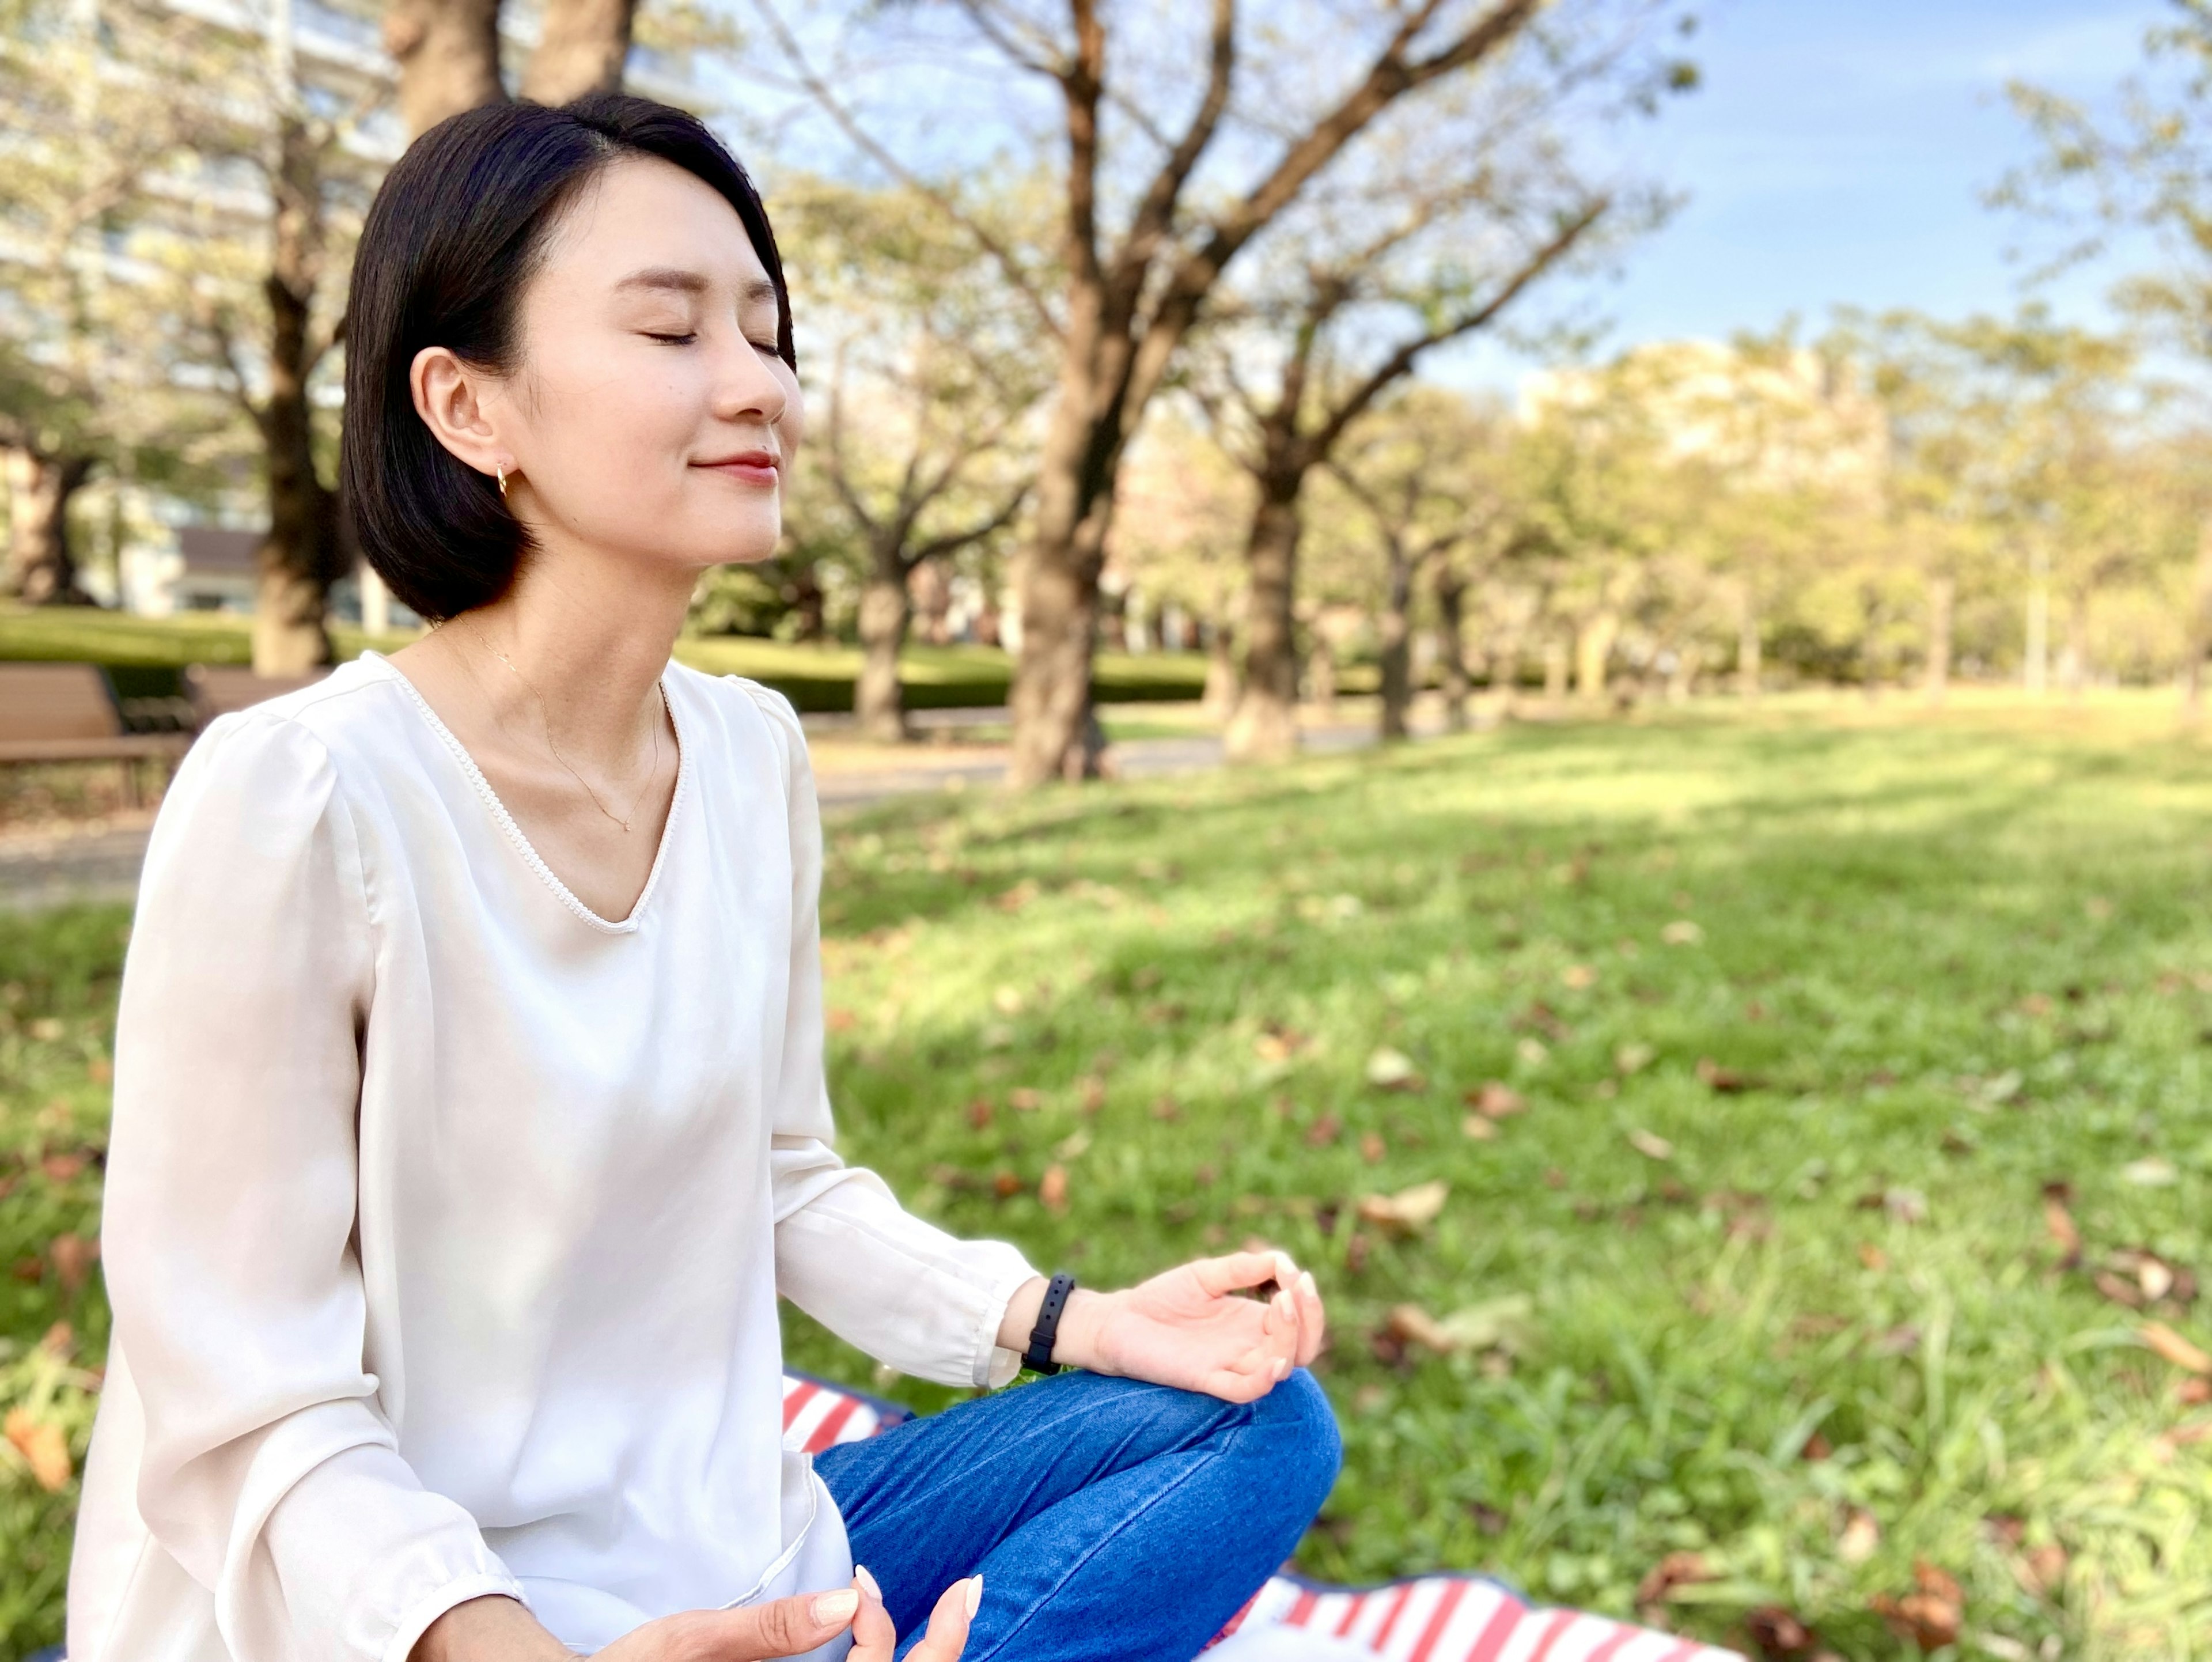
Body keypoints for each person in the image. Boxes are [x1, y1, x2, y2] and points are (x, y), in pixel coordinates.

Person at [65, 94, 1339, 1662]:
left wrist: (1078, 1322)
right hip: (401, 1612)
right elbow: (245, 1395)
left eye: (766, 326)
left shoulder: (750, 756)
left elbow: (785, 1183)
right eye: (671, 330)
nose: (758, 384)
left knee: (1263, 1425)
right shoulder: (305, 795)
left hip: (722, 1543)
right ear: (472, 408)